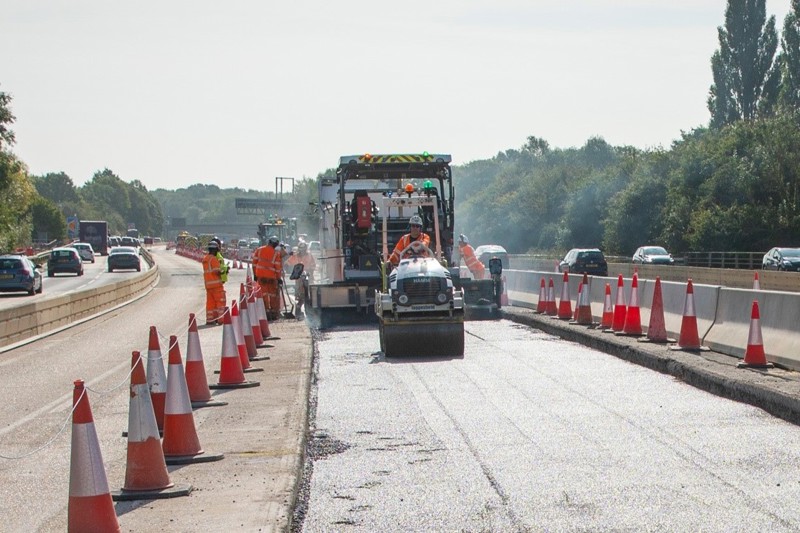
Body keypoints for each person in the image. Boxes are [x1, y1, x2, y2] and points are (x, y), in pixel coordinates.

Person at [252, 235, 285, 320]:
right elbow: (277, 268)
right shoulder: (275, 253)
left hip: (261, 276)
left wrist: (255, 275)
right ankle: (274, 313)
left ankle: (266, 312)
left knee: (263, 294)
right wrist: (279, 278)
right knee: (273, 295)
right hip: (271, 277)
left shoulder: (259, 250)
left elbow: (254, 264)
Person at [285, 240, 317, 315]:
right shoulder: (295, 255)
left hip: (308, 278)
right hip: (299, 279)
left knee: (310, 295)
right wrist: (290, 270)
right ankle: (299, 309)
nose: (302, 251)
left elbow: (313, 265)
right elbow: (287, 263)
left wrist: (310, 271)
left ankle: (310, 311)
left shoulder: (309, 255)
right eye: (301, 249)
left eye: (303, 249)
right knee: (300, 296)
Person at [202, 240, 227, 325]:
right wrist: (224, 271)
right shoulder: (213, 259)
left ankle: (210, 319)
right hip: (216, 285)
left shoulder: (205, 259)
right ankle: (221, 319)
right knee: (220, 302)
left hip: (208, 286)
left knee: (210, 304)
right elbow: (217, 272)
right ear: (215, 250)